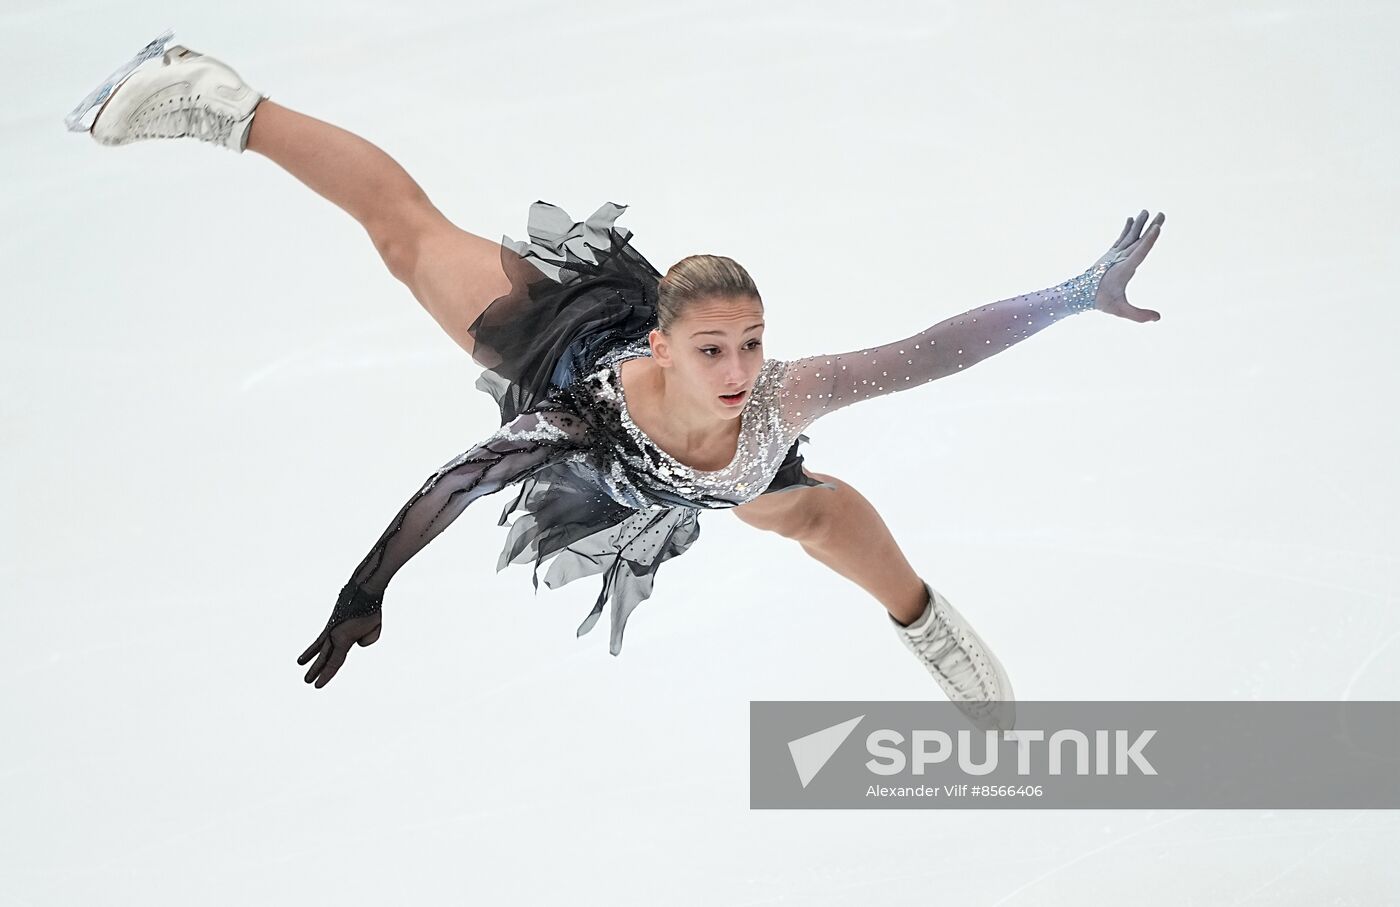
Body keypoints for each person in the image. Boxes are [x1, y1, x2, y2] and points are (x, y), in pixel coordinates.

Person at [67, 33, 1165, 732]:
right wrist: (367, 590)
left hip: (720, 475)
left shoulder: (777, 396)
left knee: (807, 511)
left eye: (751, 342)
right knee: (406, 238)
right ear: (664, 347)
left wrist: (1077, 292)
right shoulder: (575, 412)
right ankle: (214, 96)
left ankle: (923, 620)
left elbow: (933, 350)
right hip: (566, 352)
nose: (740, 371)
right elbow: (454, 485)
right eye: (713, 349)